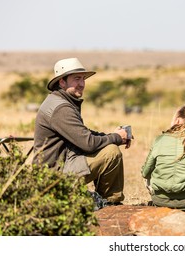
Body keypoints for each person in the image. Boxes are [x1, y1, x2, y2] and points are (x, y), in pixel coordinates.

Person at [33, 57, 131, 208]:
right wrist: (116, 138)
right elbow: (88, 144)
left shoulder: (61, 100)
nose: (82, 84)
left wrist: (112, 135)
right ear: (62, 82)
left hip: (60, 167)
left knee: (109, 145)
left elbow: (82, 133)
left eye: (83, 79)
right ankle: (111, 203)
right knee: (111, 152)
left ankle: (106, 203)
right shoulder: (61, 108)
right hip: (52, 177)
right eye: (76, 79)